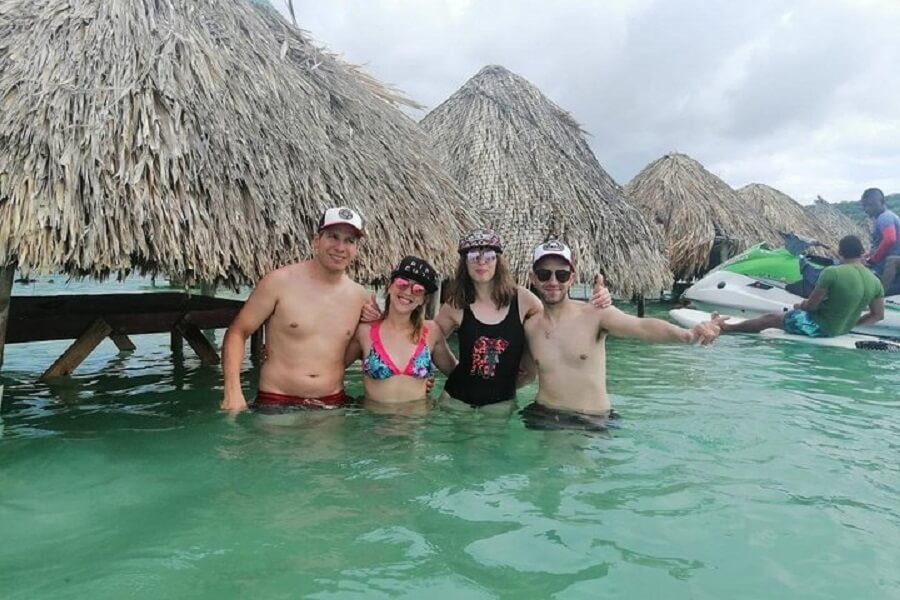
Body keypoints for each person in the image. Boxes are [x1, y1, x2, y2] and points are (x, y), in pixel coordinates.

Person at [518, 240, 724, 431]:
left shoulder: (596, 314)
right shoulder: (530, 326)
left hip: (591, 419)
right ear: (533, 278)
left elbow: (642, 327)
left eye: (561, 275)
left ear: (572, 277)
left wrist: (687, 335)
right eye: (544, 274)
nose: (553, 281)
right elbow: (526, 374)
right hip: (544, 414)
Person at [434, 229, 611, 413]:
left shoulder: (523, 300)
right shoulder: (456, 305)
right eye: (473, 256)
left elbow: (556, 318)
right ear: (464, 263)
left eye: (489, 255)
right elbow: (430, 339)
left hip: (501, 403)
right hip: (456, 400)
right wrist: (447, 370)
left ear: (498, 261)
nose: (481, 262)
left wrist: (594, 306)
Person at [221, 207, 377, 413]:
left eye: (349, 240)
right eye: (333, 237)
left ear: (356, 248)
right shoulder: (279, 282)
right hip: (277, 400)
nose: (340, 247)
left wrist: (378, 322)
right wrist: (232, 391)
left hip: (332, 403)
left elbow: (371, 349)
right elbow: (238, 332)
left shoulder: (361, 298)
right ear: (316, 240)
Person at [346, 256, 456, 412]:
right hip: (374, 423)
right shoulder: (365, 331)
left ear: (422, 300)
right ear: (389, 286)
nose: (408, 291)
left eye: (418, 289)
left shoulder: (431, 332)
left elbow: (457, 373)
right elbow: (334, 369)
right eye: (402, 283)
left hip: (418, 424)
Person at [718, 235, 884, 338]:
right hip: (842, 331)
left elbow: (811, 307)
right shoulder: (875, 281)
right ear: (862, 252)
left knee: (770, 319)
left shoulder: (832, 272)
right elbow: (877, 315)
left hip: (818, 328)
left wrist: (800, 305)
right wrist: (849, 325)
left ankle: (728, 328)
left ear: (840, 252)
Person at [860, 188, 900, 293]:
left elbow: (890, 239)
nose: (867, 209)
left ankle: (881, 293)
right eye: (864, 206)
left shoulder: (884, 218)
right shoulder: (887, 216)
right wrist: (870, 254)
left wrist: (873, 259)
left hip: (890, 263)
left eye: (870, 205)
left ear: (882, 202)